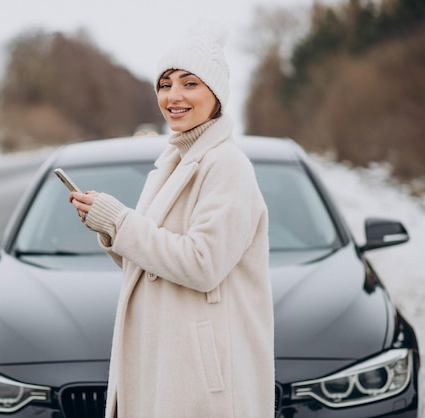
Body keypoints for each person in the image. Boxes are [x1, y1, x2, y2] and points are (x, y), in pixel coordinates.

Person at [69, 30, 274, 418]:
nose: (172, 96)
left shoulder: (226, 166)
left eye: (189, 83)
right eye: (164, 85)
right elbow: (153, 262)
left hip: (201, 384)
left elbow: (202, 263)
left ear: (217, 94)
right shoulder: (170, 162)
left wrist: (120, 219)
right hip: (165, 365)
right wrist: (110, 229)